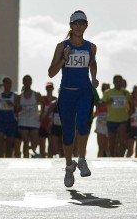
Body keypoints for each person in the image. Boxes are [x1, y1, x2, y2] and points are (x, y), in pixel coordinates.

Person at [48, 10, 98, 187]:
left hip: (84, 92)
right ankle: (69, 167)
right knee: (68, 135)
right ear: (70, 26)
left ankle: (82, 158)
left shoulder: (91, 47)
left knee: (83, 125)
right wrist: (64, 59)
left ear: (86, 26)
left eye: (82, 23)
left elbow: (92, 63)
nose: (79, 26)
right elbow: (51, 72)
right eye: (76, 23)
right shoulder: (62, 46)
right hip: (67, 94)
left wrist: (94, 78)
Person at [101, 75, 130, 157]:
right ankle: (113, 158)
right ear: (113, 82)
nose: (118, 83)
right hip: (111, 120)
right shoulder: (108, 92)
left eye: (120, 81)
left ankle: (120, 157)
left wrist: (130, 112)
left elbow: (131, 105)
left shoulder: (126, 93)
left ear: (122, 82)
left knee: (121, 141)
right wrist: (107, 103)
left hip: (123, 120)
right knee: (112, 142)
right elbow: (101, 105)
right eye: (116, 81)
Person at [14, 75, 43, 158]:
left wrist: (41, 115)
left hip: (34, 122)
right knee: (25, 142)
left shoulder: (36, 95)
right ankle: (26, 157)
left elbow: (42, 104)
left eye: (28, 81)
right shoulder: (19, 97)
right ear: (23, 82)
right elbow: (15, 110)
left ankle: (32, 154)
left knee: (34, 142)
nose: (27, 82)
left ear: (31, 82)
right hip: (23, 121)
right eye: (25, 81)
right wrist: (18, 109)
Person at [0, 77, 18, 158]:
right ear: (3, 84)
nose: (8, 85)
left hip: (11, 122)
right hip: (0, 121)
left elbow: (18, 109)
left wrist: (12, 105)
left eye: (10, 83)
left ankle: (8, 160)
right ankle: (0, 161)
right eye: (6, 83)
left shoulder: (15, 95)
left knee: (9, 146)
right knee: (0, 144)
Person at [39, 82, 57, 158]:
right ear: (46, 89)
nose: (49, 89)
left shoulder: (55, 99)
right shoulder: (43, 99)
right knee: (42, 145)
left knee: (51, 146)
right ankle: (42, 159)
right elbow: (41, 110)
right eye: (48, 88)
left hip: (52, 124)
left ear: (53, 89)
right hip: (43, 123)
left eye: (50, 88)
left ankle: (50, 160)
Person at [94, 83, 110, 157]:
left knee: (108, 147)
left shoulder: (112, 101)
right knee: (101, 147)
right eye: (104, 88)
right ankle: (99, 161)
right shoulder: (99, 101)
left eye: (107, 88)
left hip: (109, 123)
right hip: (100, 124)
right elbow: (96, 112)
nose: (105, 90)